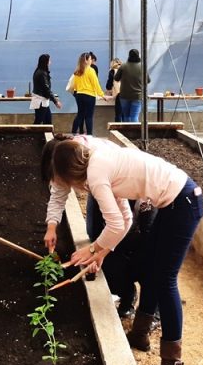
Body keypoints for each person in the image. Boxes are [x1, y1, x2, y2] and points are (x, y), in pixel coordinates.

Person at [53, 139, 203, 365]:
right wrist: (101, 252)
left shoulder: (96, 173)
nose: (75, 189)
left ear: (70, 173)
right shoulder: (100, 162)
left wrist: (91, 249)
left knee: (165, 281)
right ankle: (140, 332)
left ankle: (172, 364)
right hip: (174, 203)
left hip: (183, 203)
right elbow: (124, 219)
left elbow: (113, 224)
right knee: (149, 268)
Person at [41, 134, 148, 318]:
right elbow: (58, 195)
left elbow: (123, 221)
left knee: (127, 243)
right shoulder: (67, 159)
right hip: (103, 186)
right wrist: (52, 227)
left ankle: (139, 303)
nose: (61, 183)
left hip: (131, 190)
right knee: (96, 233)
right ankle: (123, 290)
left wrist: (96, 250)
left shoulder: (96, 165)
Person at [69, 52, 106, 135]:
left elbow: (75, 85)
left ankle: (73, 133)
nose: (91, 61)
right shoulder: (91, 70)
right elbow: (95, 84)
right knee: (89, 116)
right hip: (89, 96)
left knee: (80, 114)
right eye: (89, 59)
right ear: (86, 60)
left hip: (79, 95)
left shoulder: (77, 71)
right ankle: (89, 135)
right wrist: (102, 95)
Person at [115, 48, 150, 122]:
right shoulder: (142, 67)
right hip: (137, 96)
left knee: (126, 116)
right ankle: (135, 133)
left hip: (124, 95)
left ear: (129, 56)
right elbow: (148, 80)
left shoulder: (123, 66)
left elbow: (116, 78)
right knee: (134, 116)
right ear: (138, 56)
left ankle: (126, 133)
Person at [31, 53, 61, 126]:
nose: (50, 62)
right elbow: (46, 89)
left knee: (47, 121)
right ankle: (32, 135)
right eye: (49, 60)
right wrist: (55, 101)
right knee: (39, 121)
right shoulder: (42, 73)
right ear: (46, 62)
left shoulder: (39, 71)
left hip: (42, 101)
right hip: (41, 101)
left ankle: (46, 136)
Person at [106, 58, 123, 123]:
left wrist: (109, 90)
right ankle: (126, 130)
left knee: (118, 113)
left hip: (118, 94)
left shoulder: (112, 71)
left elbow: (109, 84)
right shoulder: (124, 70)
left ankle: (118, 129)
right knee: (124, 113)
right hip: (127, 92)